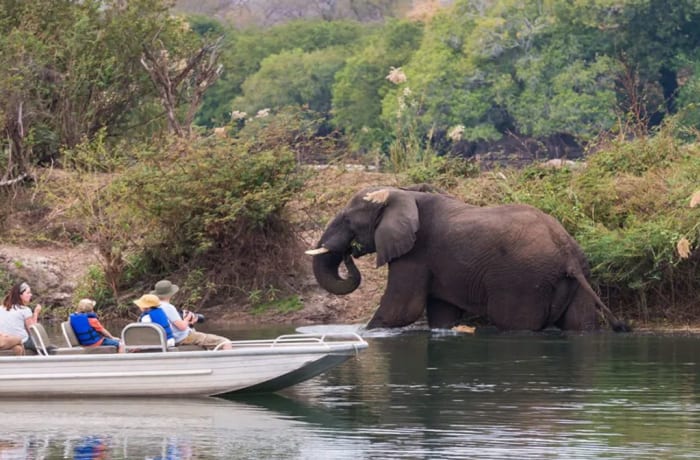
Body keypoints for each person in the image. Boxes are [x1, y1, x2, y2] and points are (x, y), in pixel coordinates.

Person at [150, 279, 232, 350]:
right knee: (225, 342)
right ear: (171, 294)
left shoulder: (151, 307)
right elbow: (182, 327)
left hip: (166, 339)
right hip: (182, 338)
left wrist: (189, 323)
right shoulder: (168, 307)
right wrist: (187, 318)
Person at [0, 282, 42, 353]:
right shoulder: (25, 310)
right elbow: (33, 331)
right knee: (39, 341)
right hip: (22, 341)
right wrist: (36, 313)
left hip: (6, 340)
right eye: (28, 293)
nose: (30, 295)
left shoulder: (1, 308)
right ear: (20, 295)